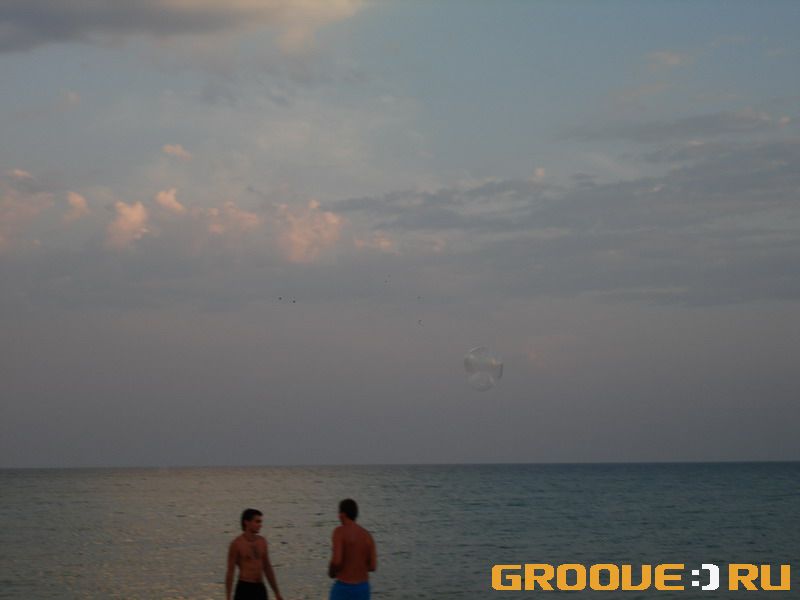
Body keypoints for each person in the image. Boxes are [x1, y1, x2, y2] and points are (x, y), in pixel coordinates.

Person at [226, 508, 284, 600]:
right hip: (244, 588)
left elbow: (267, 568)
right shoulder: (237, 544)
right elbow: (230, 572)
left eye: (260, 522)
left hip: (260, 587)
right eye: (257, 522)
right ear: (246, 522)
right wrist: (228, 597)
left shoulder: (262, 542)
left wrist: (277, 593)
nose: (260, 525)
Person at [328, 498, 377, 600]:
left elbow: (337, 561)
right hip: (363, 588)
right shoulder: (367, 536)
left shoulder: (339, 532)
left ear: (343, 514)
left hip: (344, 588)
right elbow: (372, 566)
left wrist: (331, 572)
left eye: (339, 513)